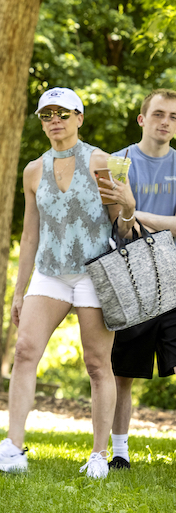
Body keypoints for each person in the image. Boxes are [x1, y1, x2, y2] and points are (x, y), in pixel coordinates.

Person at [0, 87, 132, 479]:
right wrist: (19, 288)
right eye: (47, 115)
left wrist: (128, 205)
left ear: (79, 117)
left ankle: (98, 454)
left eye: (63, 113)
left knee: (97, 364)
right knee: (25, 351)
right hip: (49, 271)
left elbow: (122, 226)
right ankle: (13, 448)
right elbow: (30, 236)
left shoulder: (100, 161)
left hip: (94, 272)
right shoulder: (33, 170)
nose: (54, 120)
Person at [107, 89, 176, 469]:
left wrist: (137, 213)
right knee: (123, 375)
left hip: (174, 281)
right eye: (159, 114)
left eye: (174, 117)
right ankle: (120, 453)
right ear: (142, 119)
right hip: (131, 279)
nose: (166, 122)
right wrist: (131, 216)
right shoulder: (118, 163)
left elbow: (135, 218)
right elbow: (117, 224)